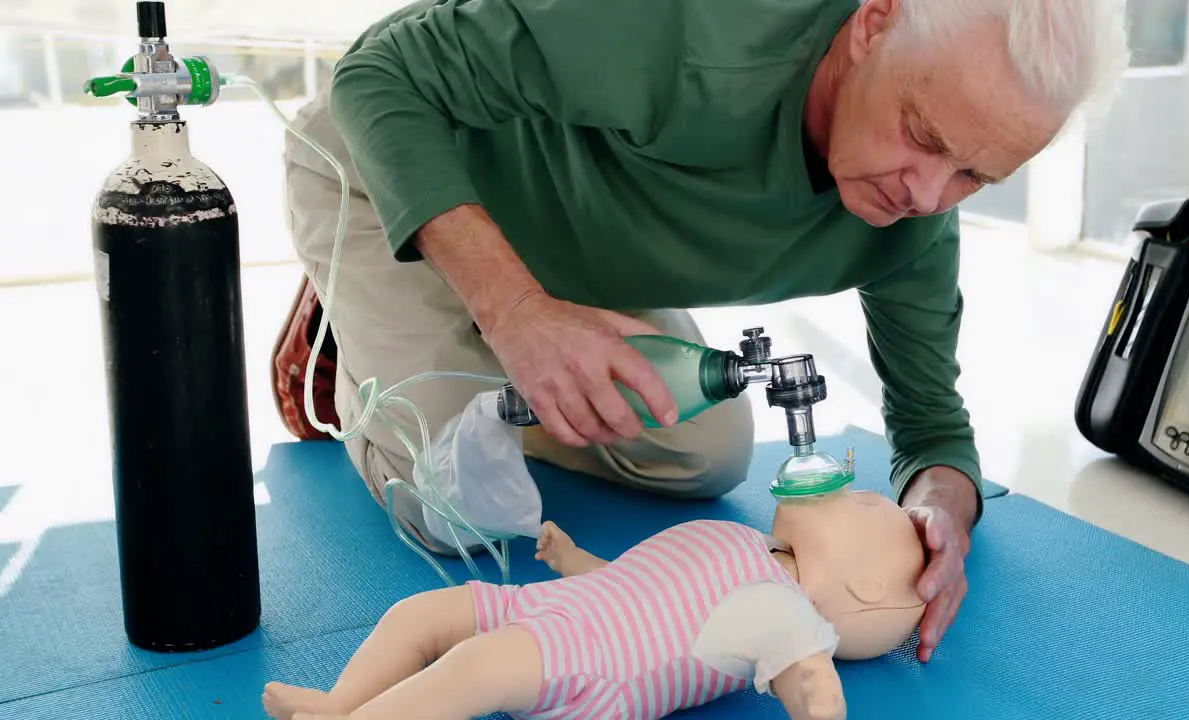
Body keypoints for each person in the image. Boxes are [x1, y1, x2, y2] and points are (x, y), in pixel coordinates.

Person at [271, 0, 1130, 665]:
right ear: (874, 24)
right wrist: (517, 313)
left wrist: (942, 506)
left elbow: (933, 427)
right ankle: (369, 316)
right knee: (450, 505)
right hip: (388, 167)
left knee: (703, 454)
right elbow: (378, 78)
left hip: (575, 250)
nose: (928, 194)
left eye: (978, 174)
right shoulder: (685, 28)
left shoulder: (917, 216)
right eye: (923, 136)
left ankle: (485, 346)